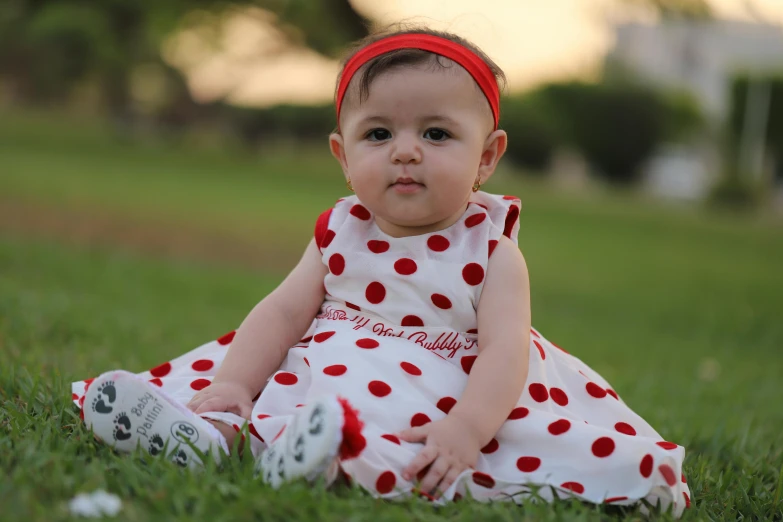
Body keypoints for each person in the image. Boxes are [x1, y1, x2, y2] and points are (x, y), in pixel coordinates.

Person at [72, 27, 691, 517]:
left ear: (488, 157)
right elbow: (283, 313)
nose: (405, 149)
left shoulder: (491, 249)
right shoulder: (342, 229)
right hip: (331, 363)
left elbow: (506, 350)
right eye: (378, 133)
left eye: (436, 133)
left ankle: (320, 455)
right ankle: (210, 430)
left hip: (442, 391)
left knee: (397, 432)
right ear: (344, 156)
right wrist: (234, 381)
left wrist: (467, 429)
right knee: (263, 390)